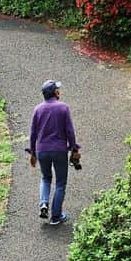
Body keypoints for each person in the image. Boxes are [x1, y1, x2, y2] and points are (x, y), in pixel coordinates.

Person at [27, 78, 80, 225]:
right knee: (60, 183)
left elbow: (33, 133)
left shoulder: (38, 109)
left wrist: (32, 153)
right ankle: (56, 216)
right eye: (58, 89)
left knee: (45, 178)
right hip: (59, 150)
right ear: (55, 92)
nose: (59, 91)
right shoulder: (63, 108)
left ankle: (44, 203)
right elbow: (70, 131)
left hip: (42, 150)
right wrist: (74, 149)